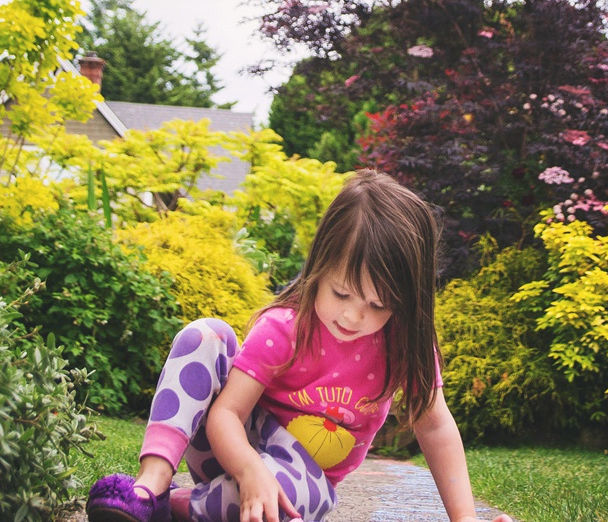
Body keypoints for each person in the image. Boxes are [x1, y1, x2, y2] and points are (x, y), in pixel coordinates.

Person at [86, 169, 513, 522]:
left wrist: (465, 519)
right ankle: (149, 488)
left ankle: (179, 507)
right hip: (231, 448)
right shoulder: (286, 328)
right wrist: (249, 468)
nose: (353, 317)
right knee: (206, 334)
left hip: (300, 482)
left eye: (378, 305)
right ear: (319, 267)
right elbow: (227, 414)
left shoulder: (403, 345)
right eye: (342, 293)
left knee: (291, 497)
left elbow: (434, 426)